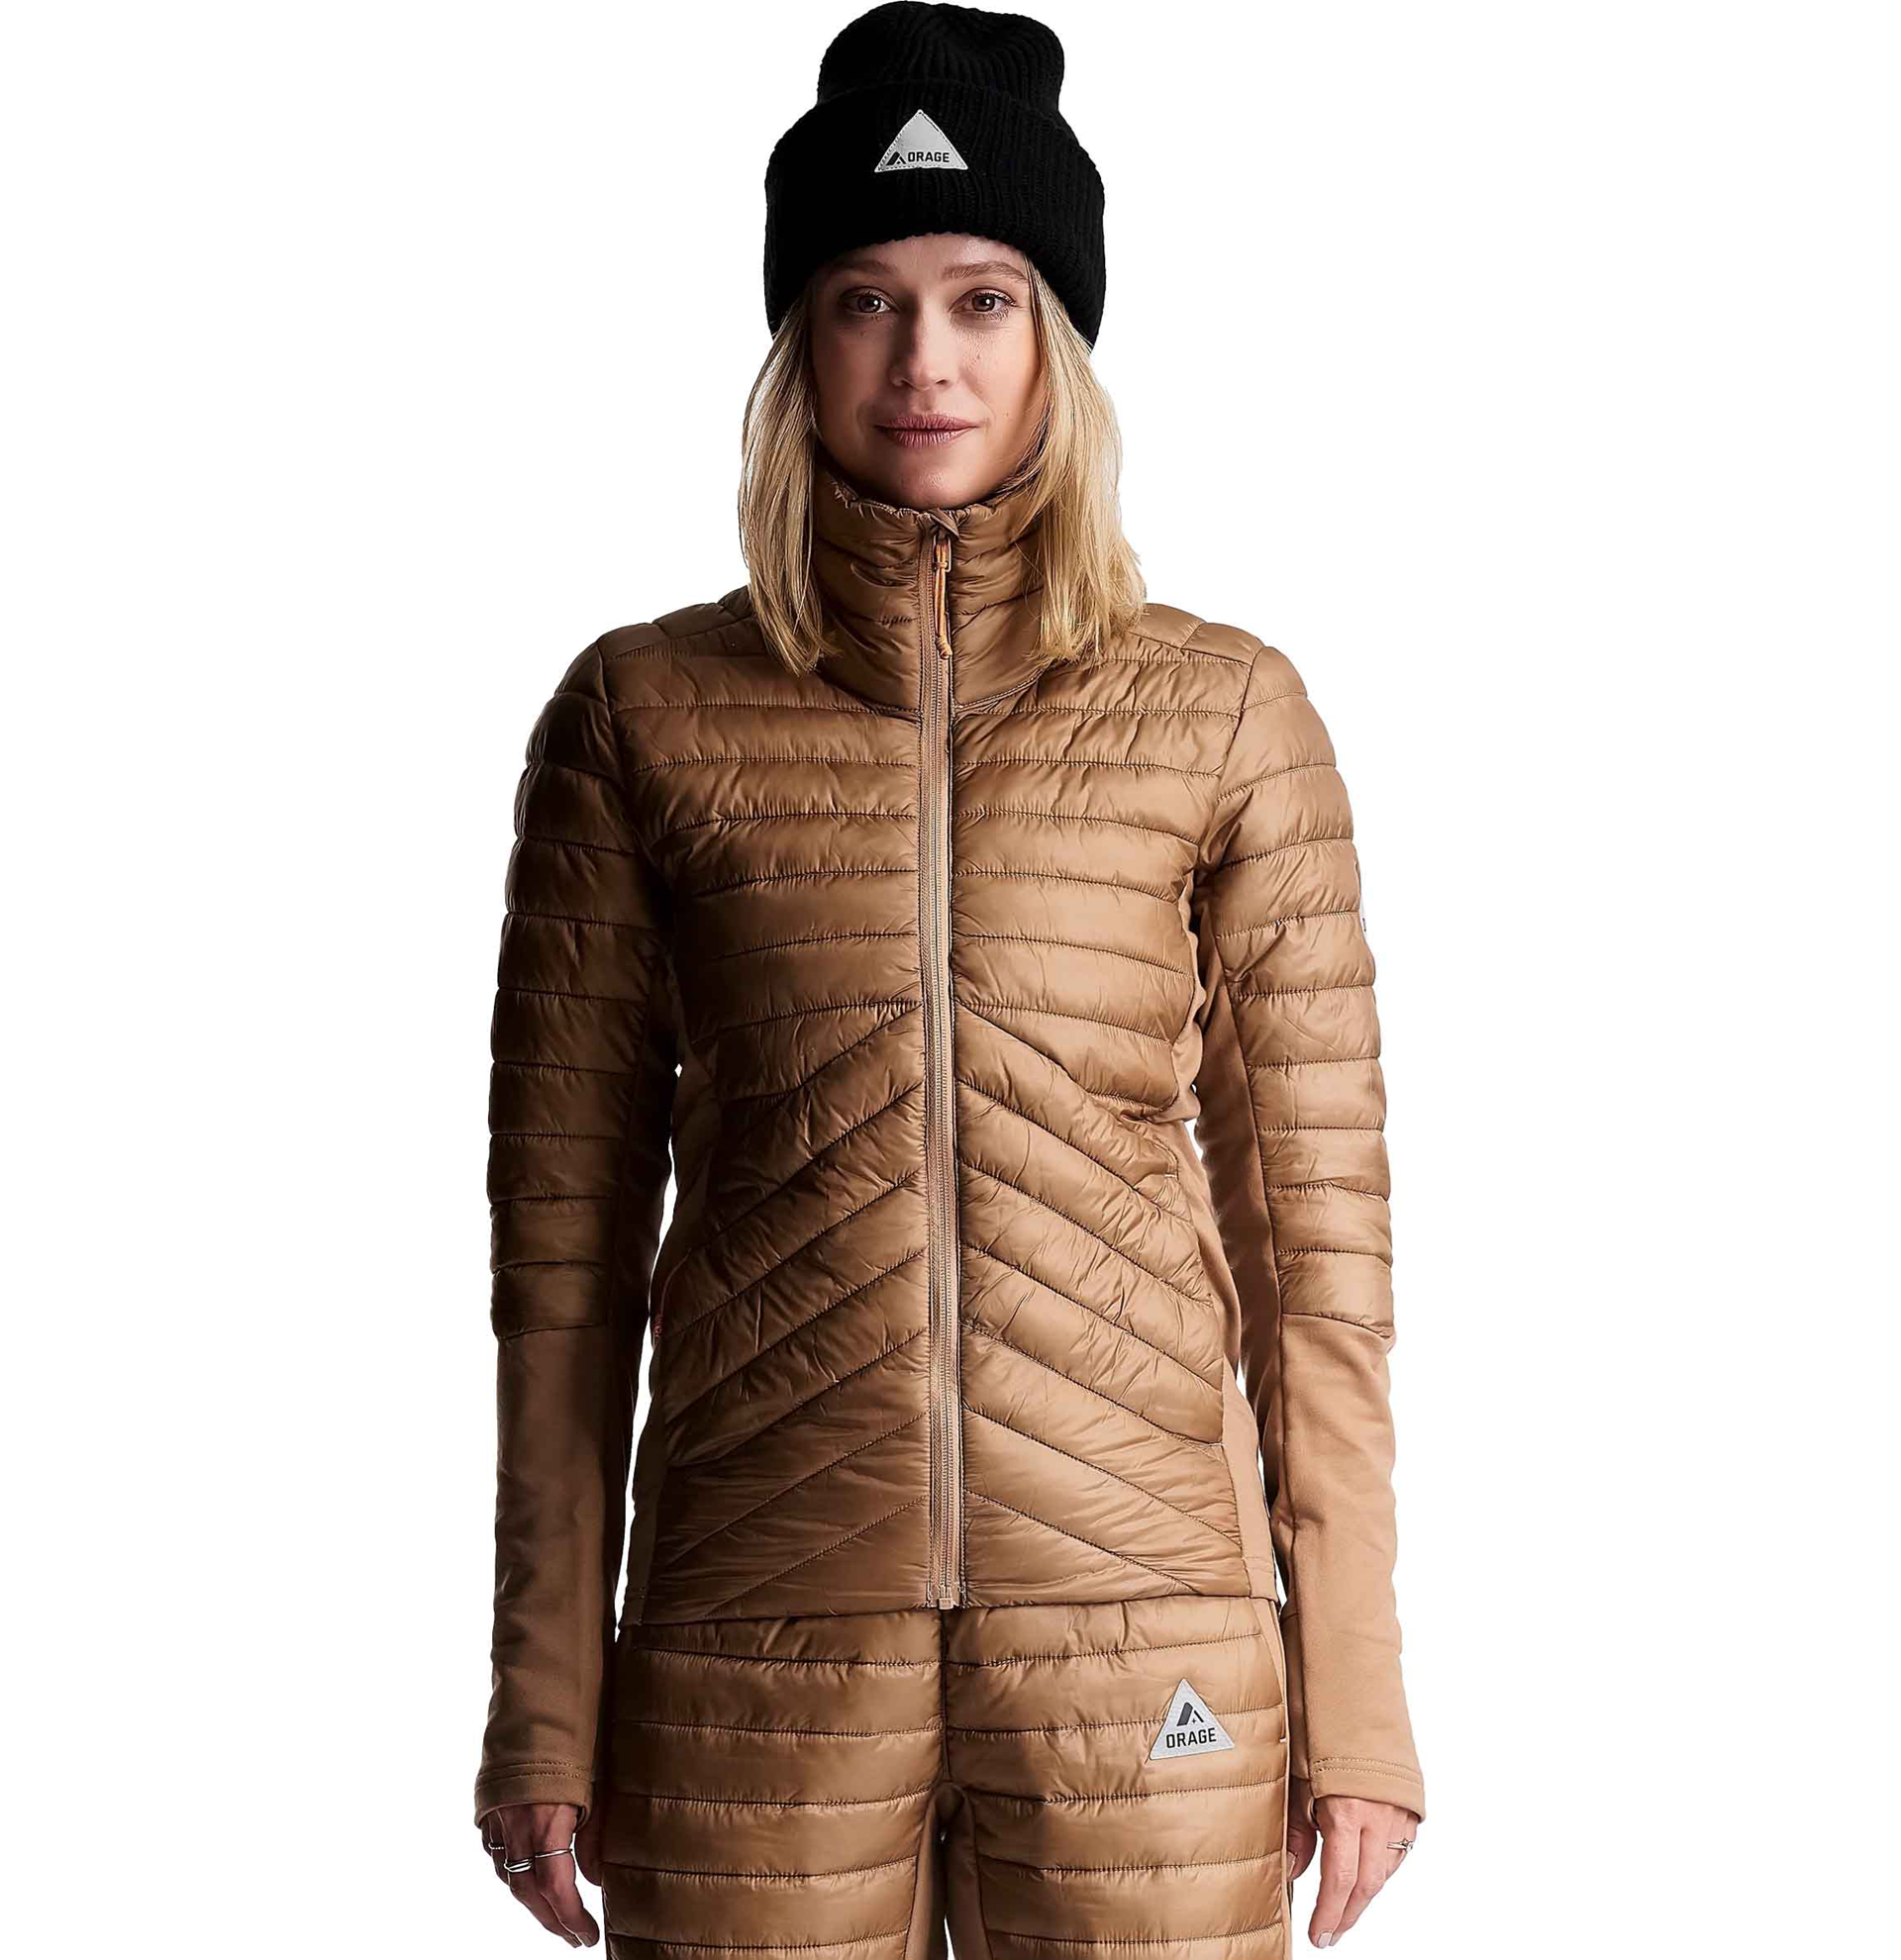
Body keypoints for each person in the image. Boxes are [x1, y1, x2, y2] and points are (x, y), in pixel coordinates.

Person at [474, 5, 1423, 1953]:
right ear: (796, 345)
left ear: (1056, 336)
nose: (926, 360)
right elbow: (560, 1268)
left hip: (1147, 1645)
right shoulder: (639, 714)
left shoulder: (1226, 712)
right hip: (752, 1654)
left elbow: (1316, 1251)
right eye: (865, 302)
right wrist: (546, 1694)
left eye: (985, 299)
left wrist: (1356, 1696)